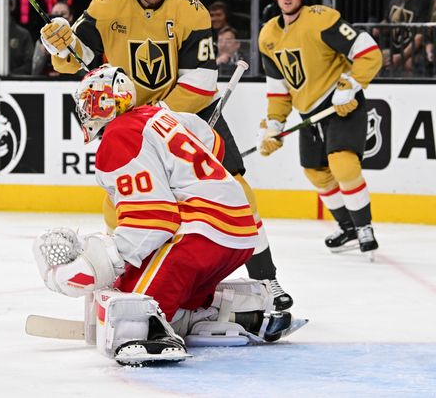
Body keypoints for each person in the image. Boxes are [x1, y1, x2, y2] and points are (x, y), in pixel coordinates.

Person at [38, 0, 293, 310]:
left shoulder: (191, 10)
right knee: (125, 201)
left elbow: (201, 81)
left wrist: (158, 122)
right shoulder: (106, 6)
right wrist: (59, 45)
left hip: (191, 118)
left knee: (239, 191)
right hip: (130, 120)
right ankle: (128, 277)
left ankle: (266, 279)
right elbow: (80, 57)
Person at [33, 65, 300, 366]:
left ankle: (155, 335)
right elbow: (215, 142)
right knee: (169, 290)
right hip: (238, 233)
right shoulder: (163, 115)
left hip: (203, 232)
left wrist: (100, 262)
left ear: (104, 102)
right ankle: (232, 314)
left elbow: (154, 221)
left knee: (130, 306)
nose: (84, 110)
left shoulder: (119, 136)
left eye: (88, 101)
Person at [257, 0, 382, 254]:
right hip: (309, 114)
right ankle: (347, 227)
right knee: (315, 171)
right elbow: (278, 87)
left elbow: (367, 50)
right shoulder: (268, 36)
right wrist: (274, 123)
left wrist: (351, 84)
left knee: (343, 163)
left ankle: (364, 226)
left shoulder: (321, 19)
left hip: (340, 104)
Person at [375, 0, 433, 75]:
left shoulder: (427, 0)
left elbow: (420, 37)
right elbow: (388, 20)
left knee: (409, 63)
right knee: (375, 59)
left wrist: (401, 57)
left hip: (417, 52)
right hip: (395, 47)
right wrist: (379, 28)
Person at [31, 0, 73, 76]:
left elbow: (81, 73)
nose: (59, 17)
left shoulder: (76, 39)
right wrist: (43, 51)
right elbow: (35, 71)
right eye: (55, 14)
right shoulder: (42, 41)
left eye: (63, 14)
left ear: (70, 17)